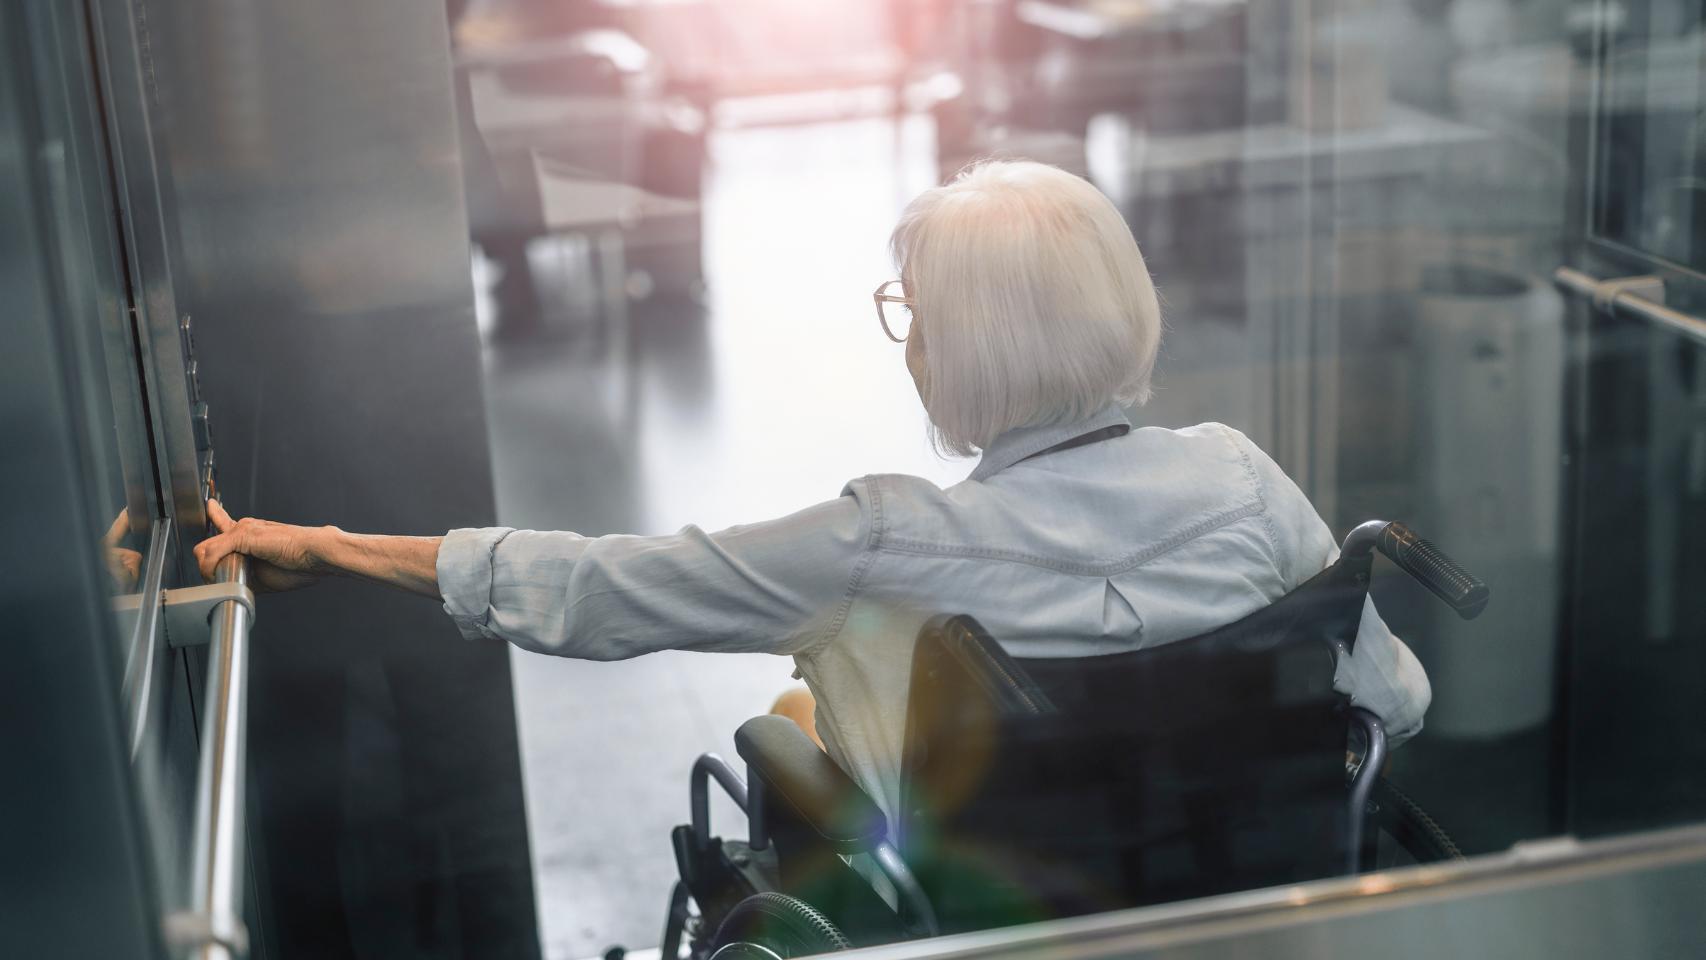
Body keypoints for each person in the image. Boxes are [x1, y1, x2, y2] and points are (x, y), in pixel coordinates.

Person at [195, 160, 1430, 825]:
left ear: (947, 348)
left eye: (914, 315)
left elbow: (603, 588)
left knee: (792, 710)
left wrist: (339, 546)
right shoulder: (1240, 479)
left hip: (988, 889)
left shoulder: (880, 541)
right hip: (1234, 880)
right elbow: (1394, 702)